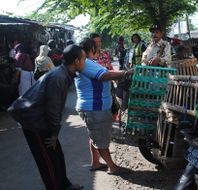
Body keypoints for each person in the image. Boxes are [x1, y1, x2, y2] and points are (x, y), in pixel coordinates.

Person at [8, 45, 86, 190]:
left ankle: (64, 184)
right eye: (84, 59)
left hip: (41, 118)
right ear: (76, 61)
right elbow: (53, 110)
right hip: (33, 121)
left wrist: (54, 133)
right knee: (47, 161)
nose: (85, 62)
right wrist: (54, 133)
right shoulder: (59, 77)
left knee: (56, 154)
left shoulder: (63, 74)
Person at [76, 38, 133, 174]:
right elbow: (104, 75)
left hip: (93, 108)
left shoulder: (87, 63)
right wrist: (126, 73)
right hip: (94, 108)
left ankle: (96, 163)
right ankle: (113, 167)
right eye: (97, 45)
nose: (99, 48)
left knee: (95, 136)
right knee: (101, 139)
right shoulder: (86, 64)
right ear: (92, 48)